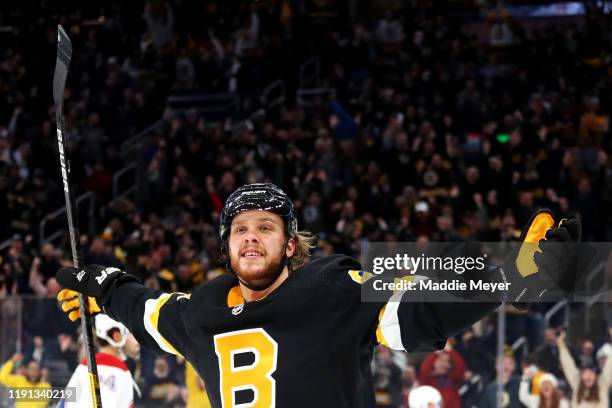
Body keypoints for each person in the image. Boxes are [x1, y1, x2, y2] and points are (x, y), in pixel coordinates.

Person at [55, 183, 581, 407]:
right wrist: (101, 285)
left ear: (289, 246)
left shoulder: (331, 288)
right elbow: (146, 311)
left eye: (266, 227)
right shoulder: (203, 310)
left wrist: (506, 277)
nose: (252, 237)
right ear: (226, 247)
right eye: (240, 229)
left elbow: (418, 312)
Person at [59, 314, 140, 408]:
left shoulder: (83, 366)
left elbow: (64, 404)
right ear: (116, 336)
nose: (137, 341)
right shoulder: (122, 373)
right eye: (130, 333)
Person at [557, 329, 612, 407]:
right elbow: (568, 364)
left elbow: (610, 365)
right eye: (586, 373)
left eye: (591, 373)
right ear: (582, 375)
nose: (588, 376)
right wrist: (560, 344)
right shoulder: (577, 383)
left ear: (596, 376)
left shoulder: (602, 384)